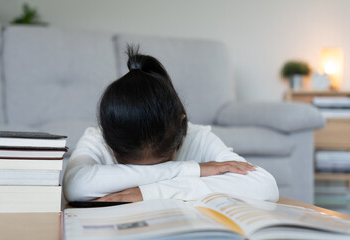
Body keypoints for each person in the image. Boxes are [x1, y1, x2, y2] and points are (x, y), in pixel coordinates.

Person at [63, 46, 279, 203]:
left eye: (162, 161)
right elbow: (75, 185)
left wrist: (150, 192)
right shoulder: (98, 138)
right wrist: (191, 169)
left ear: (180, 127)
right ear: (108, 139)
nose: (149, 170)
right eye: (130, 165)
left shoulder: (197, 137)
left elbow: (264, 185)